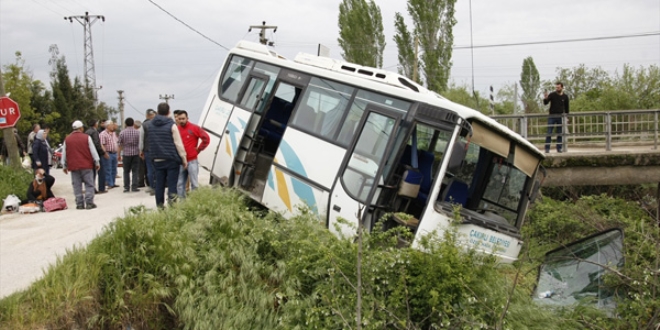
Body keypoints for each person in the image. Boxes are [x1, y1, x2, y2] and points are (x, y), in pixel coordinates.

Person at [147, 102, 187, 208]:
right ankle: (172, 205)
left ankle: (160, 206)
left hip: (157, 159)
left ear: (158, 111)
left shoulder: (150, 125)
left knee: (159, 184)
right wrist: (183, 158)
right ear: (169, 112)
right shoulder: (171, 125)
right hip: (171, 159)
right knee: (172, 184)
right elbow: (178, 143)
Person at [62, 120, 100, 210]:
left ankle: (79, 203)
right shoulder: (86, 137)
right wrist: (97, 162)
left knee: (77, 185)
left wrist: (64, 165)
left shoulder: (67, 139)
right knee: (89, 184)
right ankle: (89, 202)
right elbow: (93, 151)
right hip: (86, 165)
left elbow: (64, 154)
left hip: (74, 166)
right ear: (81, 128)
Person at [175, 110, 209, 198]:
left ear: (187, 118)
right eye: (179, 119)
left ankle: (194, 202)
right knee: (179, 184)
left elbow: (206, 139)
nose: (181, 120)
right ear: (177, 119)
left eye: (183, 118)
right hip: (180, 161)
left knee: (194, 184)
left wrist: (198, 149)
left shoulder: (194, 128)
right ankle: (182, 204)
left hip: (192, 160)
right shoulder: (175, 129)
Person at [543, 82, 570, 153]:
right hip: (552, 116)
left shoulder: (565, 97)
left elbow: (567, 108)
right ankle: (547, 149)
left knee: (560, 133)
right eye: (556, 87)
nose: (557, 88)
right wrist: (545, 98)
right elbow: (546, 102)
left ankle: (559, 148)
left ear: (562, 87)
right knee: (549, 132)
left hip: (560, 116)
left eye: (558, 87)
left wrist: (567, 117)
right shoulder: (552, 95)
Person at [118, 117, 141, 192]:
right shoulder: (137, 132)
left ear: (125, 124)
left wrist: (118, 155)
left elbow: (119, 145)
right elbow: (140, 143)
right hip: (135, 153)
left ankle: (126, 187)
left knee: (126, 171)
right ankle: (134, 187)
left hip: (126, 154)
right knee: (135, 171)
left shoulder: (122, 133)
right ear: (133, 123)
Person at [86, 119, 108, 194]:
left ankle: (91, 188)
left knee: (92, 173)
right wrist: (103, 152)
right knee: (101, 171)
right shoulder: (95, 132)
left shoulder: (87, 132)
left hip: (89, 154)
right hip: (97, 154)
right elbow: (97, 144)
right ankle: (101, 188)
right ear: (95, 124)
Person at [139, 109, 157, 195]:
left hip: (148, 150)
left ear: (147, 116)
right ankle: (159, 185)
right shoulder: (159, 123)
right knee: (158, 169)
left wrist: (141, 150)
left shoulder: (144, 125)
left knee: (150, 169)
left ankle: (152, 187)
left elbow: (141, 139)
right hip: (158, 150)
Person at [99, 120, 119, 189]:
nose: (113, 126)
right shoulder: (103, 134)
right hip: (108, 153)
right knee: (108, 169)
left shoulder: (114, 134)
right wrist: (105, 153)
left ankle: (113, 182)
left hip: (114, 153)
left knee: (114, 168)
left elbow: (116, 142)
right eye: (111, 125)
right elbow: (102, 144)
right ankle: (109, 183)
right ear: (107, 126)